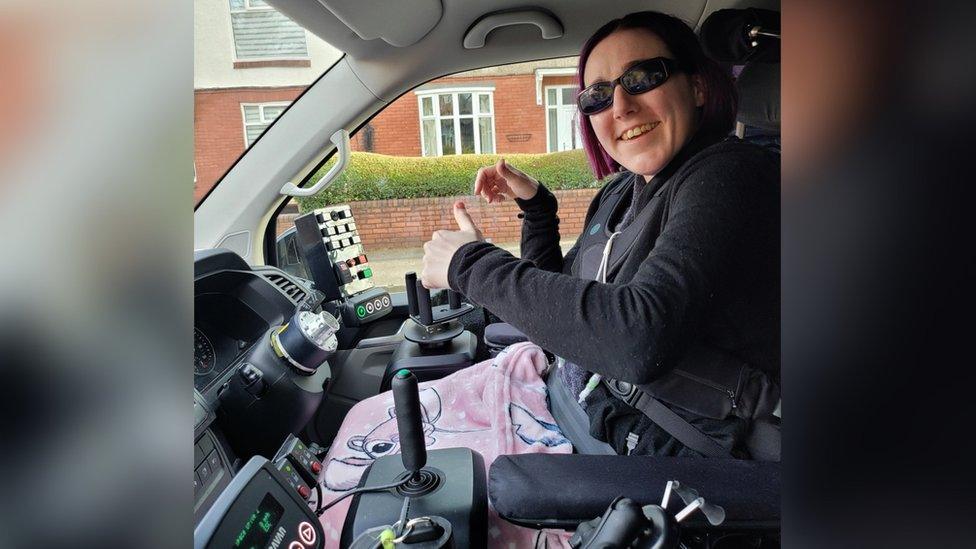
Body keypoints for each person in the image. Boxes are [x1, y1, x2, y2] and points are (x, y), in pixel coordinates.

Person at [420, 11, 779, 458]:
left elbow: (639, 338)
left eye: (645, 76)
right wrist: (537, 209)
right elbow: (567, 316)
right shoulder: (623, 191)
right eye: (597, 95)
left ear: (698, 86)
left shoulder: (730, 174)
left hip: (663, 454)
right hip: (574, 406)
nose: (622, 106)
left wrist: (467, 265)